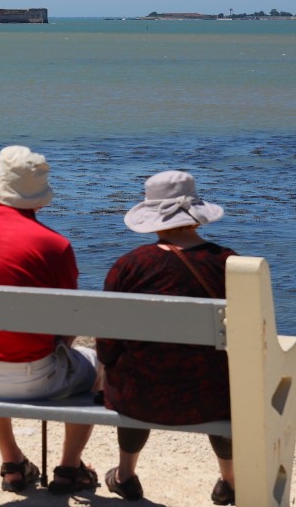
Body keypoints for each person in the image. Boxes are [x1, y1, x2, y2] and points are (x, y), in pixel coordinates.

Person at [0, 145, 100, 495]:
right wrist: (61, 347)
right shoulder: (54, 245)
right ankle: (70, 468)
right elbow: (69, 320)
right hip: (30, 377)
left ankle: (13, 462)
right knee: (96, 368)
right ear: (39, 198)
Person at [96, 170, 237, 505]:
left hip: (140, 393)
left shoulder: (130, 265)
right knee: (221, 376)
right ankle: (230, 480)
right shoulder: (231, 263)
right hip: (212, 394)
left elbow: (108, 339)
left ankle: (125, 475)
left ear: (153, 217)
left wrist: (108, 366)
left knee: (133, 366)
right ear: (196, 217)